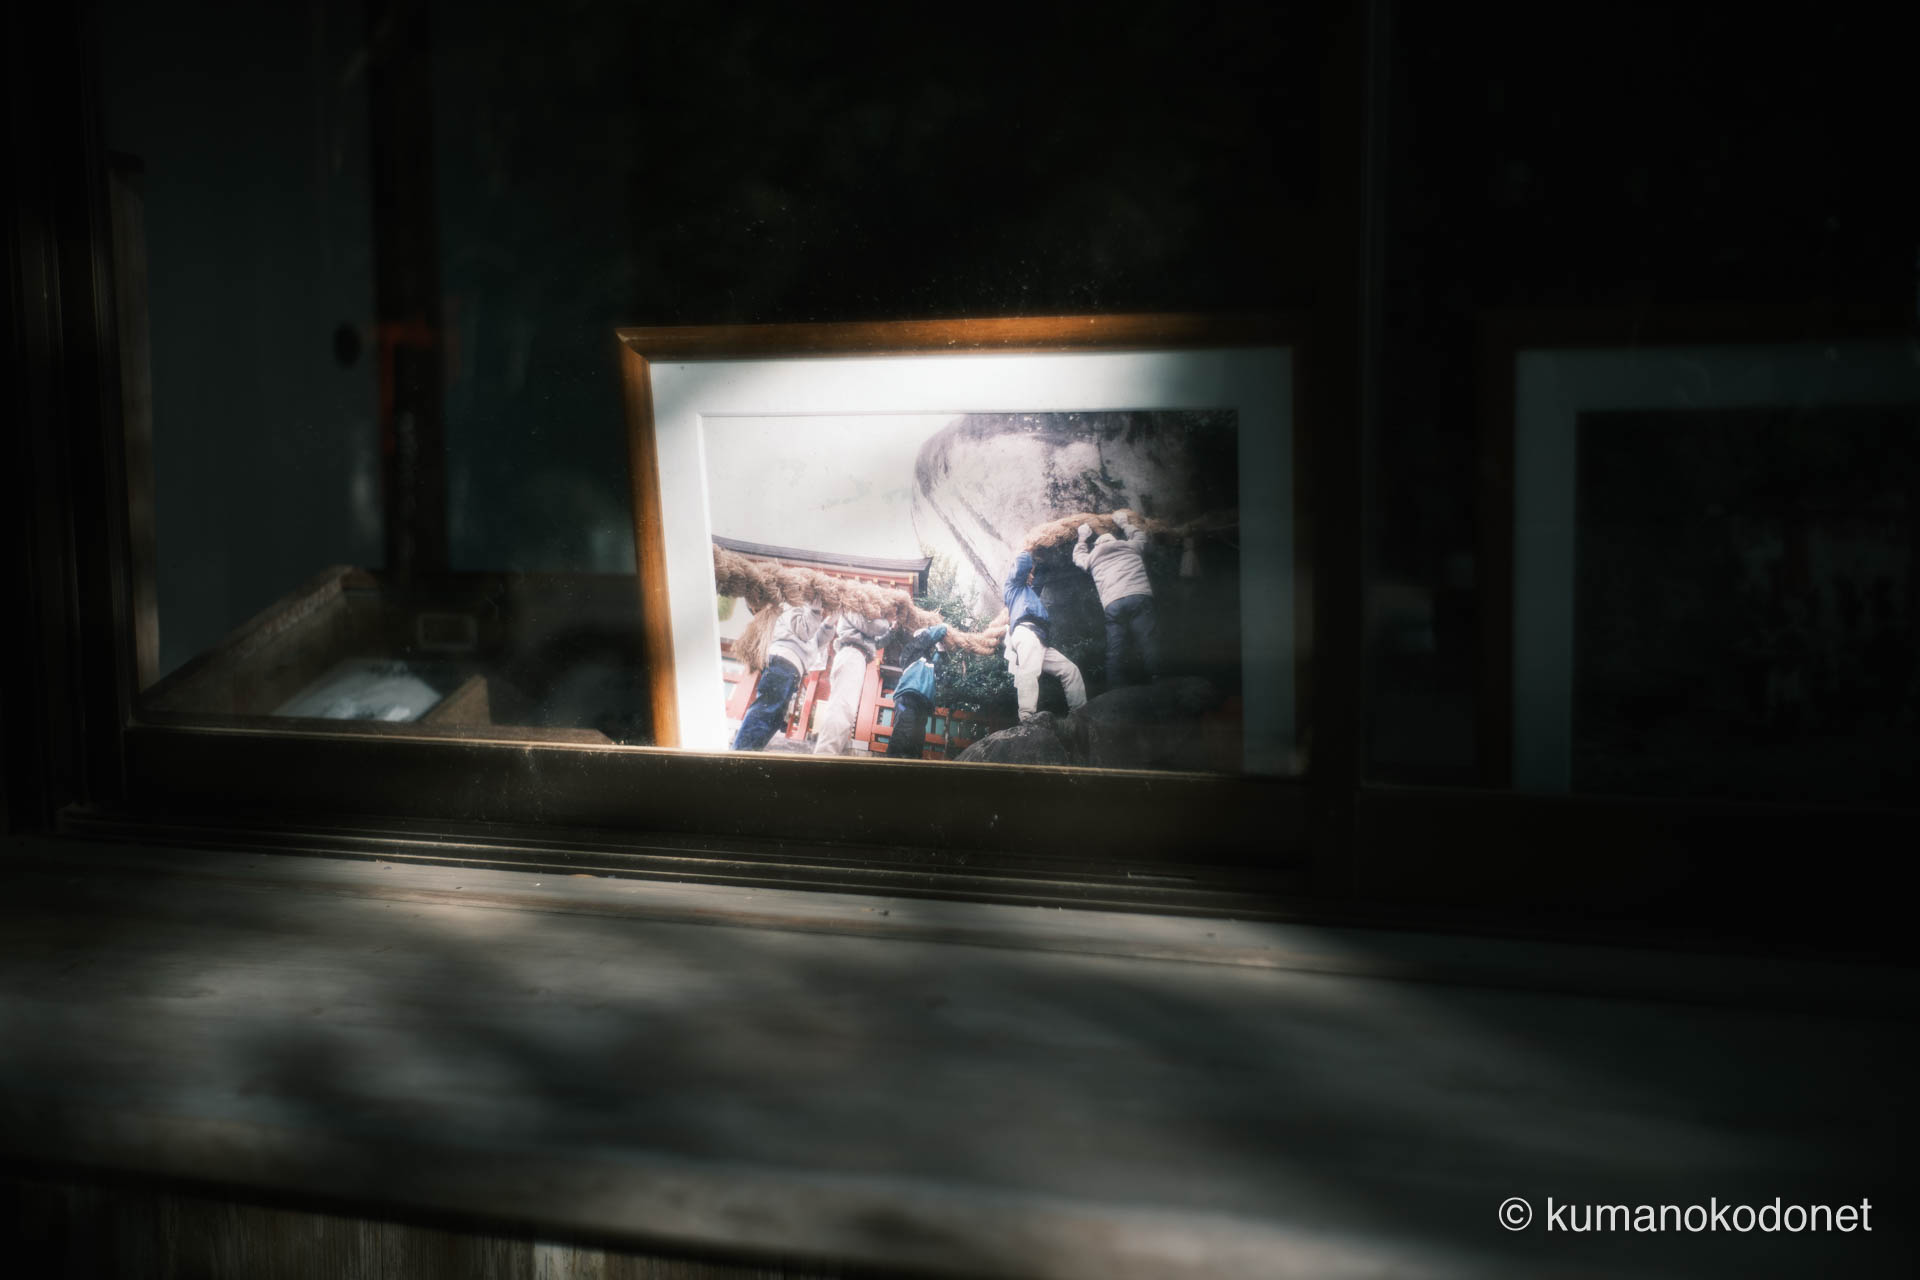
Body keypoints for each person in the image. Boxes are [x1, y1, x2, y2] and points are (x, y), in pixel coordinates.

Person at [1073, 511, 1159, 686]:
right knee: (1147, 640)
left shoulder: (1092, 557)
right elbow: (1141, 537)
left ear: (1097, 545)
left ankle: (1115, 687)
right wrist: (1124, 524)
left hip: (1113, 603)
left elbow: (1078, 558)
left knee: (1115, 647)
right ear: (1114, 540)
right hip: (1138, 596)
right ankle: (1159, 677)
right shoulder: (1130, 546)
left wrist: (1082, 538)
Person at [731, 597, 828, 751]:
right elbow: (804, 630)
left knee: (773, 716)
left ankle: (748, 751)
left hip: (789, 667)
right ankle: (741, 752)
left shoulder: (801, 614)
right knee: (767, 710)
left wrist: (829, 624)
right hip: (783, 661)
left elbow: (817, 642)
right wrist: (815, 611)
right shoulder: (790, 606)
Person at [1001, 548, 1087, 722]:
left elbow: (1040, 575)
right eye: (1030, 573)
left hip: (1039, 638)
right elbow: (1022, 563)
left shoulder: (1029, 592)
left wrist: (1041, 560)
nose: (1032, 576)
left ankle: (1081, 713)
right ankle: (1026, 717)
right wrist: (1029, 548)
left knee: (1070, 670)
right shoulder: (1013, 587)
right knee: (1029, 672)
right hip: (1026, 632)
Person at [812, 610, 893, 755]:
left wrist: (892, 629)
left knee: (847, 711)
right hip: (851, 654)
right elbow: (874, 627)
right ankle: (825, 755)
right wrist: (889, 620)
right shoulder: (852, 606)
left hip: (856, 657)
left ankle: (829, 754)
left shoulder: (865, 617)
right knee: (842, 708)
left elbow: (877, 642)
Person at [885, 623, 948, 758]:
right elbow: (939, 629)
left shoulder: (929, 662)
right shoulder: (911, 650)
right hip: (905, 701)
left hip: (922, 704)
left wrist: (940, 649)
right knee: (903, 732)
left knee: (917, 742)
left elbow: (940, 665)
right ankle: (892, 765)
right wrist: (944, 628)